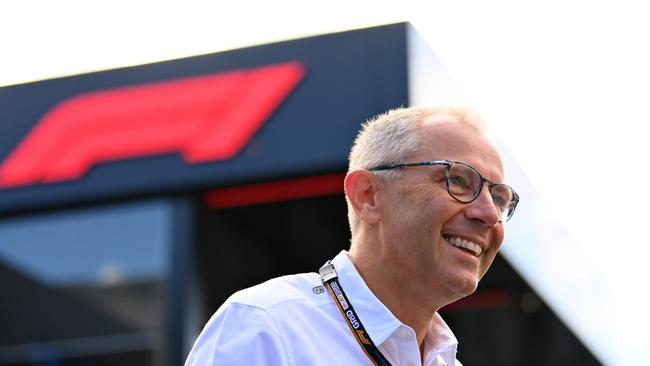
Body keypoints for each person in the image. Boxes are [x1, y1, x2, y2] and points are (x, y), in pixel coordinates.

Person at [185, 106, 519, 366]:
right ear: (368, 196)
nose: (489, 214)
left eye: (500, 198)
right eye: (459, 181)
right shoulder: (268, 326)